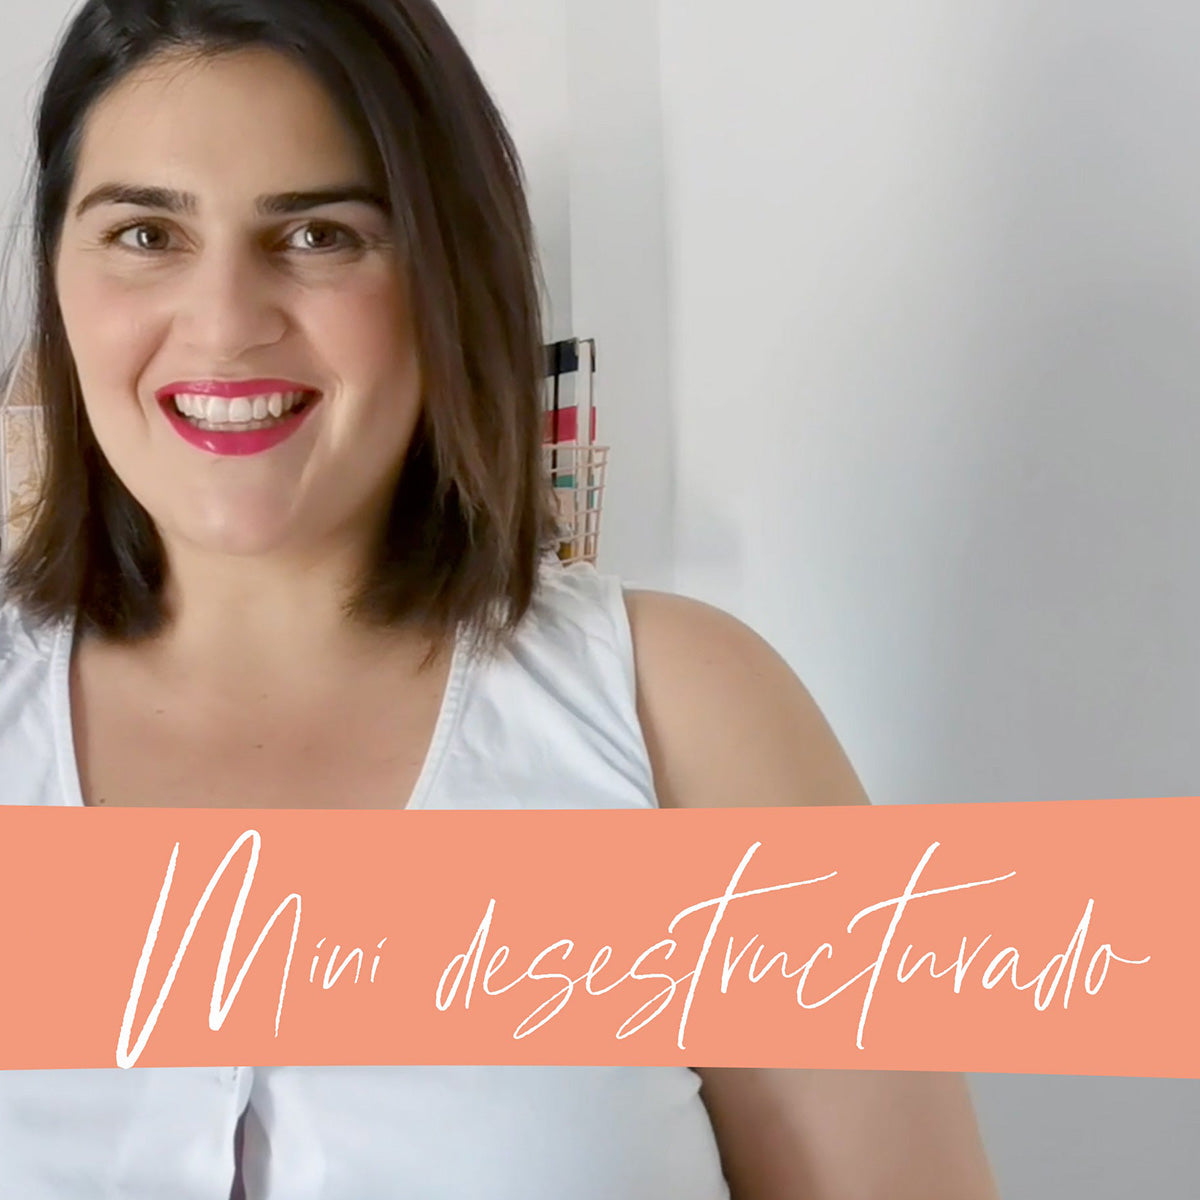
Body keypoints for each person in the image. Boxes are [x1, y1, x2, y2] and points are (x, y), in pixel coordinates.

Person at [0, 1, 1001, 1196]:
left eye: (319, 235)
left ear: (446, 270)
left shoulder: (684, 716)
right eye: (146, 234)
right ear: (57, 271)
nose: (224, 324)